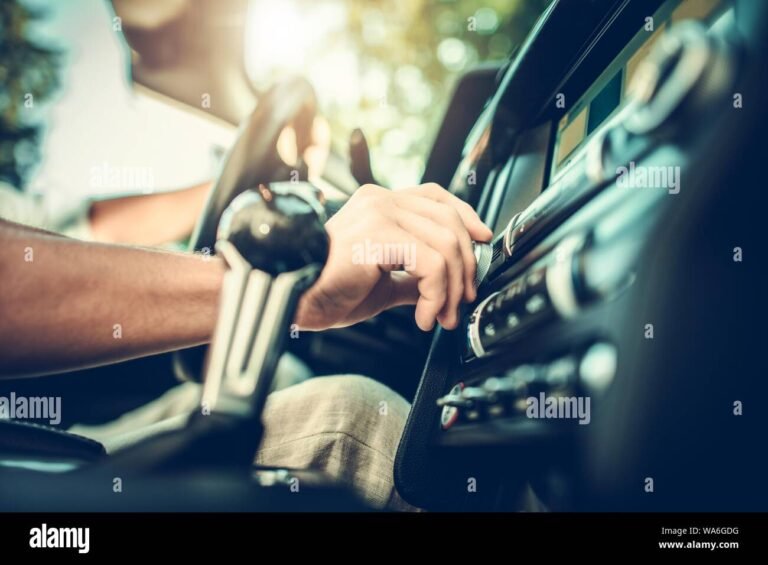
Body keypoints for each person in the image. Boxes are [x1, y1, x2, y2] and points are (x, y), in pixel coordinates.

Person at [0, 182, 493, 510]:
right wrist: (279, 285)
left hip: (35, 444)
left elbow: (84, 230)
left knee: (282, 374)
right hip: (30, 472)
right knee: (353, 422)